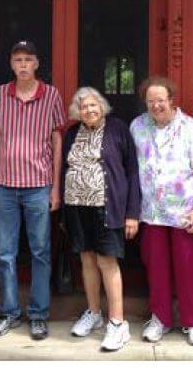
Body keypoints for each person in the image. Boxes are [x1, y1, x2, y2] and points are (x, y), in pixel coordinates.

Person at [0, 40, 67, 340]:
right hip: (4, 184)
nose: (22, 65)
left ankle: (38, 314)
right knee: (5, 253)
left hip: (39, 186)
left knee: (41, 252)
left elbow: (57, 142)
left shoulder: (52, 96)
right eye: (17, 59)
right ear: (11, 63)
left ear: (36, 64)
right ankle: (8, 313)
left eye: (28, 59)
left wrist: (56, 187)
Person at [129, 76, 193, 346]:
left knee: (189, 268)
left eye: (160, 100)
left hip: (183, 212)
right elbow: (130, 169)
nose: (156, 106)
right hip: (151, 213)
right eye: (150, 101)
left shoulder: (189, 127)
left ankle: (192, 321)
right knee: (156, 268)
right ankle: (160, 319)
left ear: (171, 99)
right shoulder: (137, 126)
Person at [62, 87, 141, 352]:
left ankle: (118, 323)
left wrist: (132, 213)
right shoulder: (72, 132)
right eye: (84, 107)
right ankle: (94, 313)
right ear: (77, 111)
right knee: (87, 259)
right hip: (77, 207)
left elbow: (132, 171)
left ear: (102, 106)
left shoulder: (118, 129)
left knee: (107, 261)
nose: (89, 110)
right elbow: (65, 166)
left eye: (94, 105)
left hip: (108, 206)